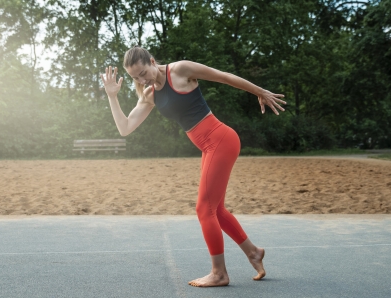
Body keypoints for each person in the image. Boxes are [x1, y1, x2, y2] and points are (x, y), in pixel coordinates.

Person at [100, 46, 286, 288]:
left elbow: (223, 77)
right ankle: (253, 252)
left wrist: (259, 91)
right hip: (209, 147)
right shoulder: (150, 95)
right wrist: (112, 96)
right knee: (215, 209)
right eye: (135, 77)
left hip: (220, 140)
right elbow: (125, 128)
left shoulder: (180, 70)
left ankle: (219, 273)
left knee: (203, 209)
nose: (142, 79)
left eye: (143, 72)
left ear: (153, 61)